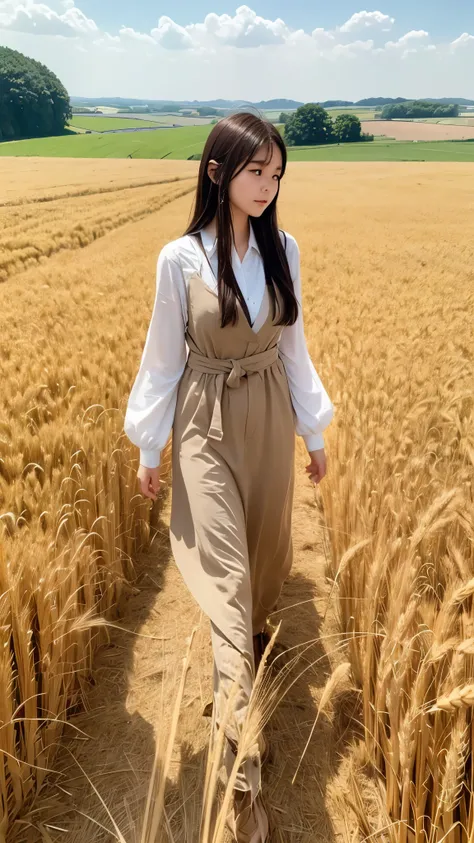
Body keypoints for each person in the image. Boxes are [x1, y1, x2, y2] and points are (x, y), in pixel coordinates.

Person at [123, 111, 335, 842]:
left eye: (276, 175)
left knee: (264, 569)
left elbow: (296, 345)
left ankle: (244, 656)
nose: (268, 186)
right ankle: (243, 782)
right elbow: (161, 356)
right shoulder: (180, 259)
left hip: (271, 414)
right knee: (227, 584)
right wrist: (151, 447)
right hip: (205, 423)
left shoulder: (287, 251)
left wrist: (314, 431)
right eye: (256, 171)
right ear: (218, 172)